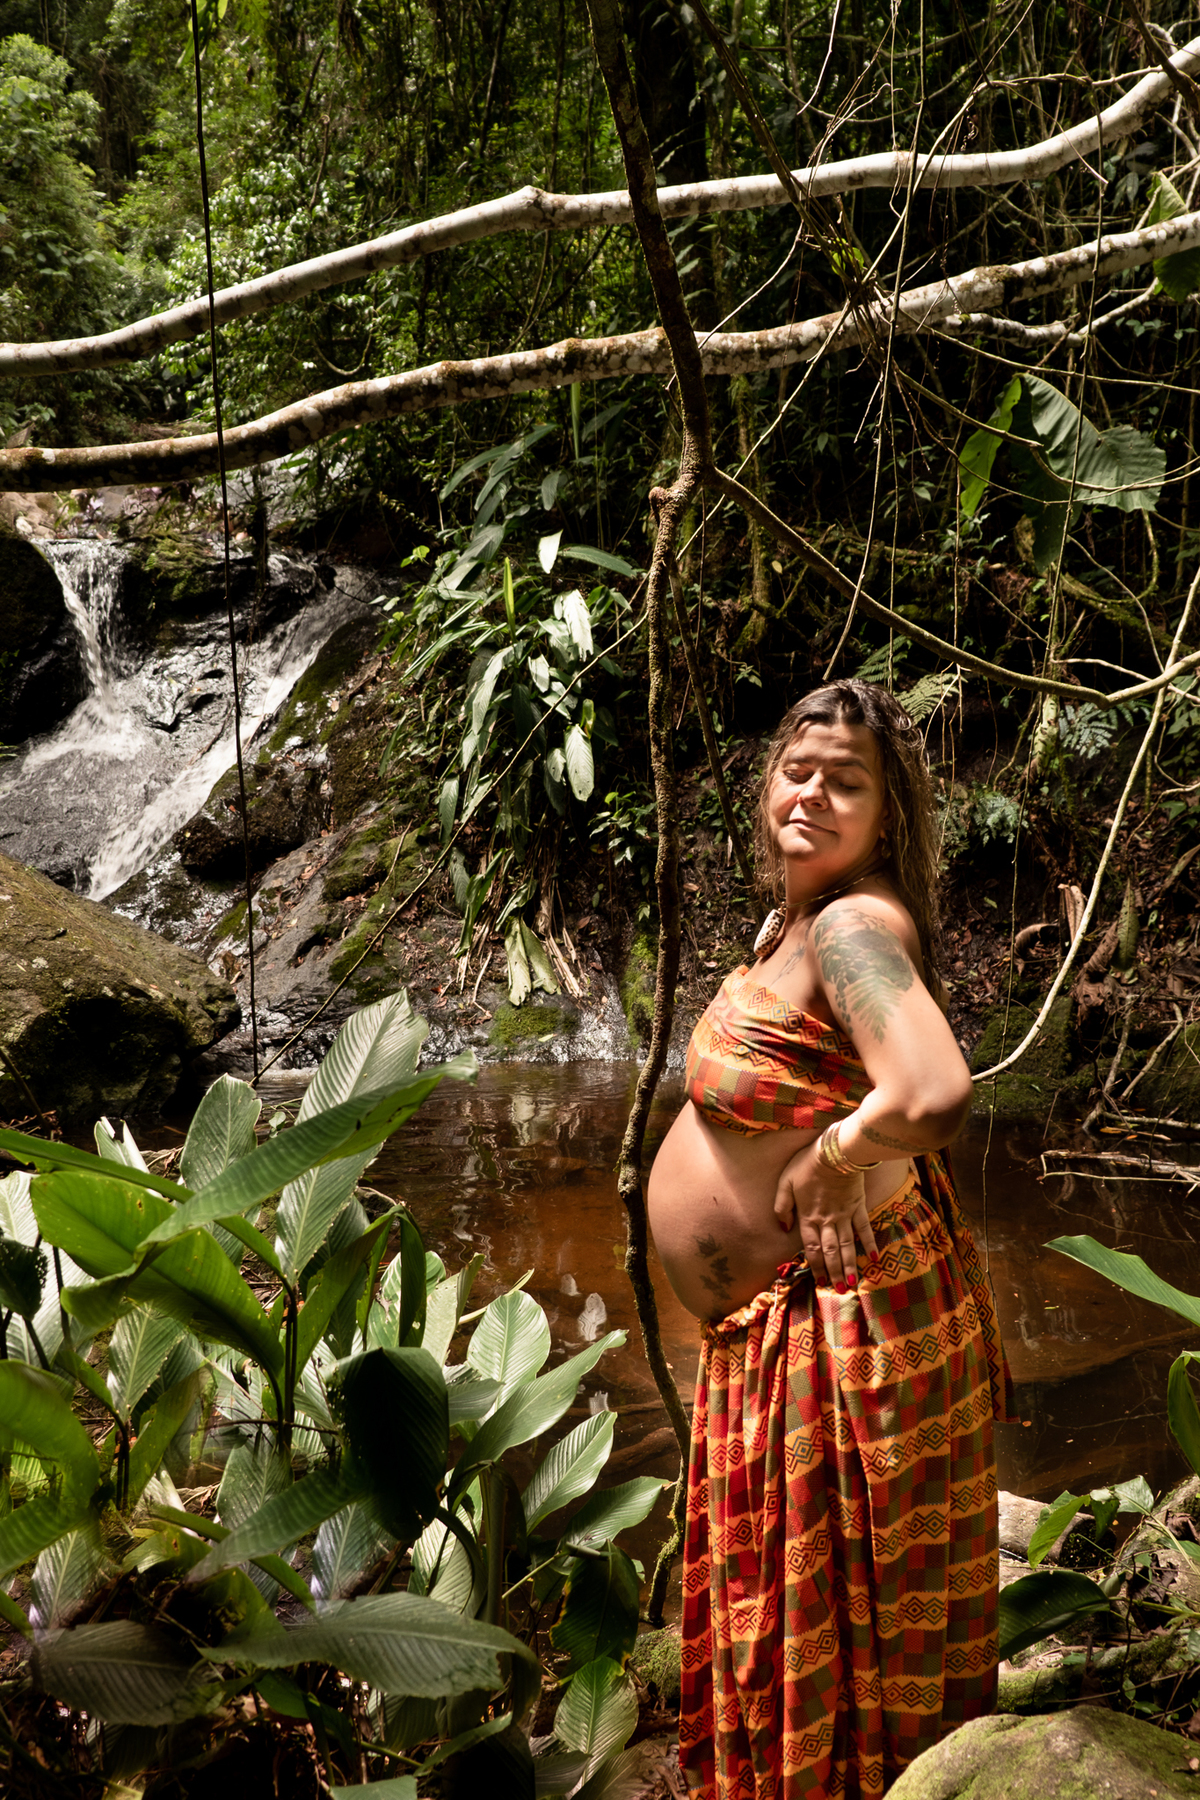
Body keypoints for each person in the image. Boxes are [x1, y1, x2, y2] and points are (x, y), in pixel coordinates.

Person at [647, 680, 1012, 1800]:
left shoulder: (853, 924)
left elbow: (934, 1092)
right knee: (825, 1640)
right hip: (793, 1328)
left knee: (845, 1648)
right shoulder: (800, 920)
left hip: (845, 1330)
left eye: (844, 782)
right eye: (796, 771)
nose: (811, 794)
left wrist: (839, 1155)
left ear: (887, 815)